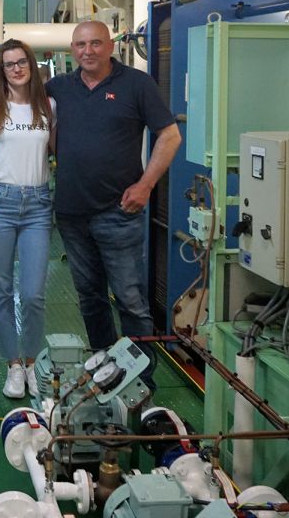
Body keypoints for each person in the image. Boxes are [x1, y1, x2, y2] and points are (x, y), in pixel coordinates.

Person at [46, 21, 181, 350]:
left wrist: (145, 186)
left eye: (95, 43)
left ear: (111, 46)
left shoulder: (137, 84)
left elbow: (170, 136)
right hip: (71, 213)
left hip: (118, 212)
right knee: (90, 297)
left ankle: (140, 374)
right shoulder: (59, 87)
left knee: (130, 299)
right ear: (72, 50)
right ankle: (103, 364)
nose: (88, 51)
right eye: (81, 45)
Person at [0, 39, 55, 399]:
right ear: (1, 70)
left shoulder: (48, 106)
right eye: (9, 64)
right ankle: (13, 365)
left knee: (33, 293)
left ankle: (32, 362)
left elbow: (61, 150)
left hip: (38, 205)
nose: (17, 68)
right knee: (1, 290)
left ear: (32, 66)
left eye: (22, 62)